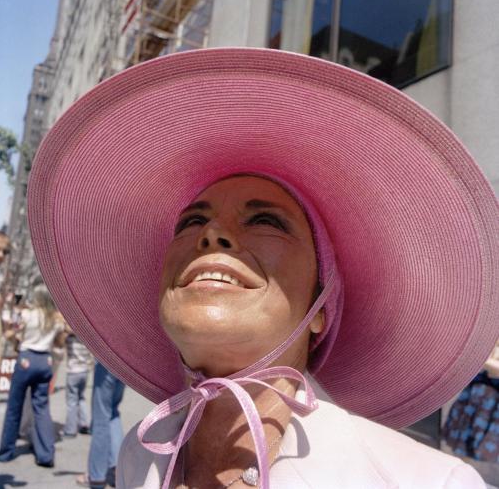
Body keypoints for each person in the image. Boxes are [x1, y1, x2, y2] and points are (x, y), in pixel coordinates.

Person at [26, 48, 499, 487]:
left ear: (321, 309)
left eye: (266, 221)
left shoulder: (426, 482)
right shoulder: (140, 452)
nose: (210, 235)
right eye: (192, 221)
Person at [0, 284, 65, 466]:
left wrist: (14, 340)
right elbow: (59, 342)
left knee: (15, 406)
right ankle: (46, 454)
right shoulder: (56, 319)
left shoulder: (28, 315)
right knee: (42, 408)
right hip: (45, 361)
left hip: (26, 359)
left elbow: (12, 333)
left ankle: (6, 451)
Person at [76, 362, 125, 489]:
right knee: (113, 413)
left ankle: (96, 476)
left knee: (101, 418)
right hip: (126, 362)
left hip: (106, 360)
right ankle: (118, 469)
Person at [63, 324, 93, 437]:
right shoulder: (85, 339)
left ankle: (70, 429)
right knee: (81, 397)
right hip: (84, 371)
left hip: (73, 371)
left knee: (72, 401)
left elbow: (64, 332)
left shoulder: (70, 339)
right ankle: (85, 423)